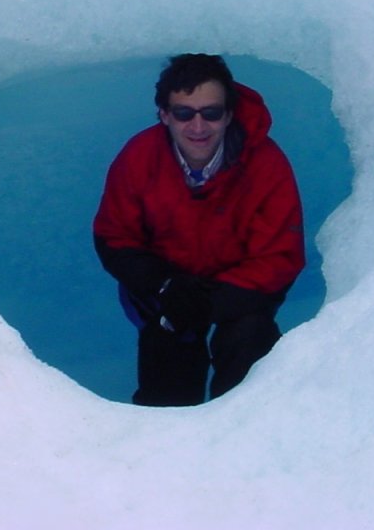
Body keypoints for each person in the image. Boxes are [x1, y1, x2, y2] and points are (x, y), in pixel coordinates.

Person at [94, 54, 305, 406]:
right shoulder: (139, 157)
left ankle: (244, 434)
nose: (198, 126)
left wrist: (210, 303)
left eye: (211, 113)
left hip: (239, 291)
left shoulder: (265, 164)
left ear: (228, 114)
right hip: (164, 289)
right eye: (183, 113)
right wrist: (164, 285)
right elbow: (115, 236)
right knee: (170, 356)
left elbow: (279, 255)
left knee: (249, 342)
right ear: (164, 114)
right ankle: (169, 443)